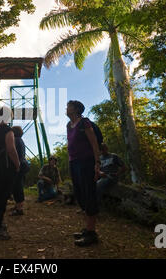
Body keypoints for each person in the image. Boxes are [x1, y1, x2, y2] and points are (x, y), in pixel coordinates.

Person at [66, 100, 101, 246]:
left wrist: (97, 163)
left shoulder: (84, 123)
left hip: (86, 162)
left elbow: (94, 143)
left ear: (75, 109)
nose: (66, 109)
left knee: (89, 193)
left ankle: (92, 233)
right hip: (74, 163)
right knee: (80, 194)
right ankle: (87, 229)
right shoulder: (69, 125)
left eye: (68, 107)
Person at [0, 114, 21, 240]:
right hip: (4, 168)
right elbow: (11, 149)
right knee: (2, 197)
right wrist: (17, 164)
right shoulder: (7, 130)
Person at [10, 126, 30, 216]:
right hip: (23, 165)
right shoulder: (20, 140)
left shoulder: (15, 140)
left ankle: (19, 208)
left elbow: (13, 153)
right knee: (17, 186)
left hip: (19, 166)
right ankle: (17, 205)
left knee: (17, 187)